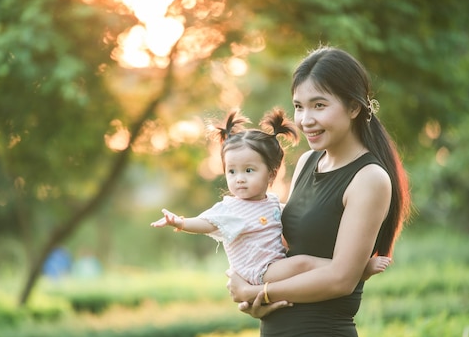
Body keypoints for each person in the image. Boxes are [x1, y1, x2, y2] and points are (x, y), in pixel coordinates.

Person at [226, 46, 411, 337]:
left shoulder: (369, 178)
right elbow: (281, 249)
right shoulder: (309, 162)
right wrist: (248, 284)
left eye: (319, 105)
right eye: (299, 106)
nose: (305, 119)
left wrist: (258, 293)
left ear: (354, 106)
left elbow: (341, 279)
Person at [151, 108, 391, 287]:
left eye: (249, 170)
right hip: (259, 271)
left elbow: (292, 216)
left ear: (272, 173)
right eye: (231, 171)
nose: (239, 179)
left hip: (275, 265)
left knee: (302, 265)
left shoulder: (273, 203)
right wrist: (180, 222)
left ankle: (348, 269)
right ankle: (358, 270)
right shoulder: (231, 209)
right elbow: (207, 223)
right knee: (303, 264)